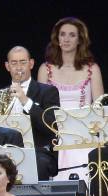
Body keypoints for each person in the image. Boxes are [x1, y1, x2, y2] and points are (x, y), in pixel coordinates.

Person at [37, 17, 104, 181]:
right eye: (62, 34)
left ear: (80, 40)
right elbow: (40, 110)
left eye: (72, 35)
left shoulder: (92, 69)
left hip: (84, 134)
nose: (66, 39)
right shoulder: (45, 69)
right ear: (57, 38)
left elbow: (99, 108)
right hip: (53, 134)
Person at [0, 46, 60, 180]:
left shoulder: (48, 92)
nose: (18, 67)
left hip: (38, 152)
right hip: (5, 151)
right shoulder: (0, 94)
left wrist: (25, 100)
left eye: (23, 62)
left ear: (31, 64)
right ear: (7, 66)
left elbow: (52, 126)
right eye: (14, 63)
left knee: (38, 164)